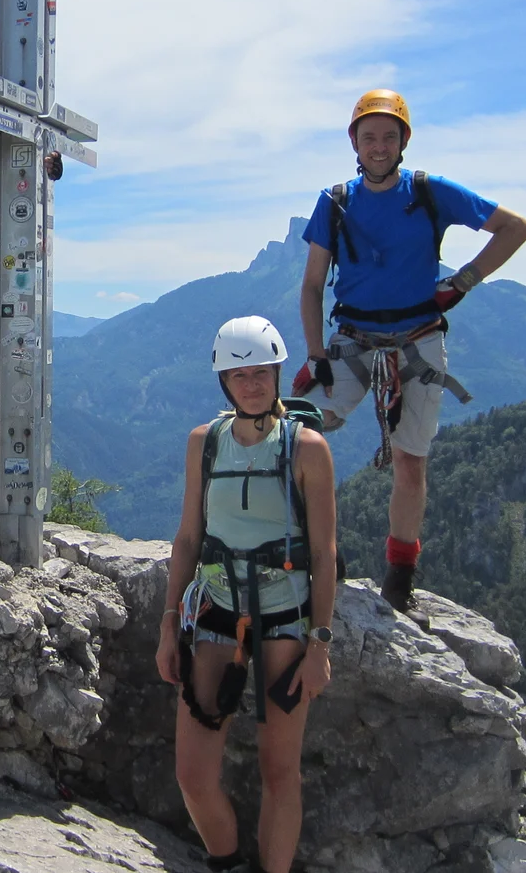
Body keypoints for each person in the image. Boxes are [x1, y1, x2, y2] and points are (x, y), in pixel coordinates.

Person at [295, 90, 526, 621]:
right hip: (353, 340)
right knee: (301, 429)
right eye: (369, 136)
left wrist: (463, 282)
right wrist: (317, 355)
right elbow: (312, 286)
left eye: (388, 136)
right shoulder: (335, 202)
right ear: (354, 142)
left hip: (418, 341)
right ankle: (305, 555)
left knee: (410, 462)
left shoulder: (430, 192)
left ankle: (399, 584)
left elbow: (516, 228)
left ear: (403, 141)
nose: (378, 146)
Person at [157, 317, 337, 873]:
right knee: (192, 774)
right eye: (239, 375)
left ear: (279, 374)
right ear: (224, 382)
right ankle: (227, 861)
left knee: (279, 771)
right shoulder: (204, 444)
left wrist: (320, 645)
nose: (252, 384)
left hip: (286, 621)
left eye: (261, 373)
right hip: (214, 615)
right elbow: (189, 537)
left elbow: (326, 553)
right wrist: (168, 626)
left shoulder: (307, 449)